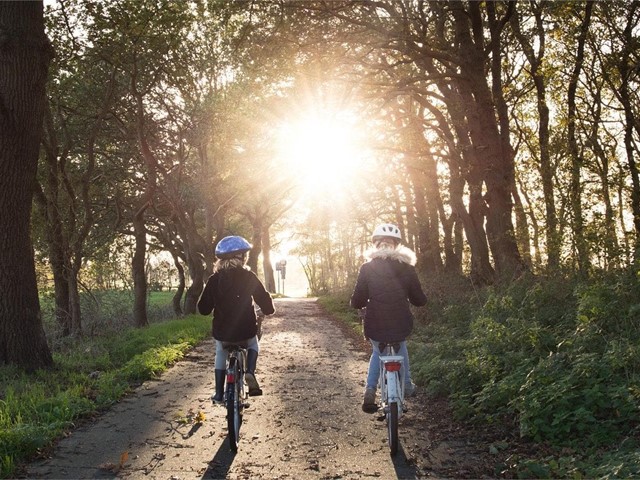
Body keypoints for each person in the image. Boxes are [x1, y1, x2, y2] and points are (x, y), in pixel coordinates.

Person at [350, 223, 427, 413]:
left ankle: (370, 390)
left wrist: (357, 303)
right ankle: (407, 384)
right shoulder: (407, 268)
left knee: (378, 351)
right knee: (401, 345)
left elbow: (357, 299)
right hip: (401, 320)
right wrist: (418, 299)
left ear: (376, 245)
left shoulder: (367, 268)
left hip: (375, 321)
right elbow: (419, 299)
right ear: (396, 245)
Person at [198, 235, 275, 403]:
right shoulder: (249, 277)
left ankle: (219, 393)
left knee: (220, 351)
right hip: (246, 331)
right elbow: (266, 305)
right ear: (242, 258)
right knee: (253, 343)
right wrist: (267, 309)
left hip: (223, 333)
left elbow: (203, 309)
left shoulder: (214, 280)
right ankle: (250, 372)